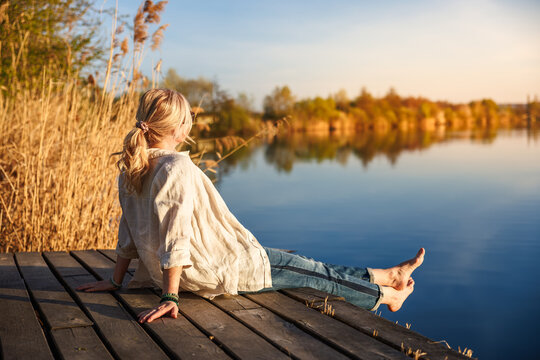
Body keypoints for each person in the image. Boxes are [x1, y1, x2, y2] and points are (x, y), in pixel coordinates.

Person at [76, 89, 425, 324]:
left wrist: (115, 279)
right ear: (180, 129)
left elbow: (128, 231)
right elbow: (174, 234)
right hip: (218, 268)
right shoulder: (175, 168)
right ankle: (382, 297)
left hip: (216, 258)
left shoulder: (133, 168)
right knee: (315, 275)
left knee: (308, 266)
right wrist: (171, 295)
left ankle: (388, 276)